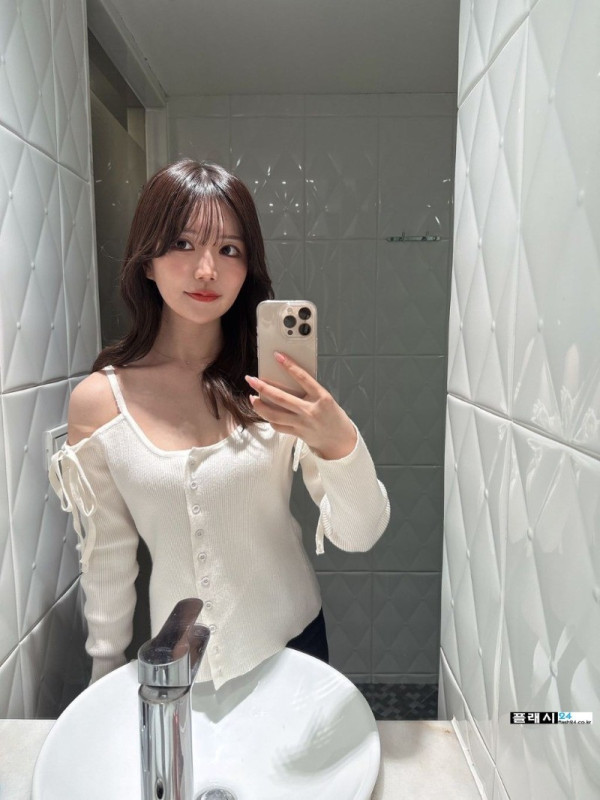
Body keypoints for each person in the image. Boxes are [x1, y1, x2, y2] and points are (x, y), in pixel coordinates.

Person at [49, 159, 390, 690]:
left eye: (229, 249)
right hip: (176, 666)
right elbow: (107, 553)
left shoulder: (272, 387)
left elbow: (359, 534)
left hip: (294, 650)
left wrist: (339, 442)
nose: (206, 269)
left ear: (247, 267)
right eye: (183, 244)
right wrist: (105, 672)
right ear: (147, 261)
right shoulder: (101, 402)